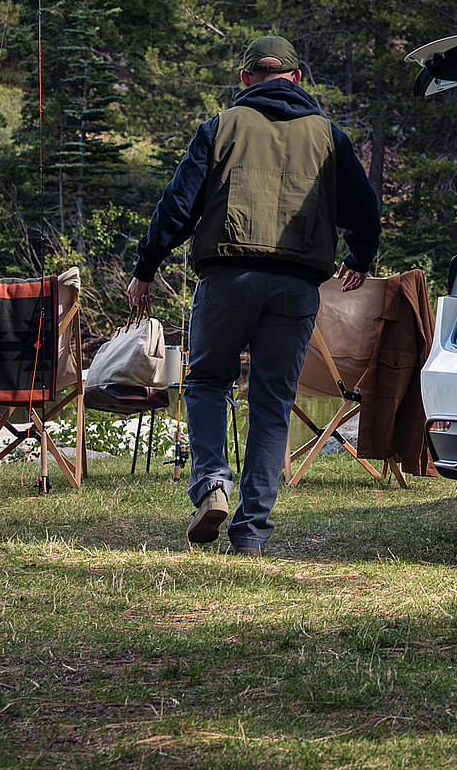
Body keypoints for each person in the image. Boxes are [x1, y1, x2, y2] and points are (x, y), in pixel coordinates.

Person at [124, 36, 380, 555]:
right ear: (297, 78)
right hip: (296, 286)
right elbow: (365, 210)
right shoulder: (329, 136)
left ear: (245, 78)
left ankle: (212, 484)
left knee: (207, 382)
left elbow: (178, 207)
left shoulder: (220, 127)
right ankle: (252, 532)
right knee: (272, 402)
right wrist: (359, 257)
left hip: (228, 278)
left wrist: (146, 268)